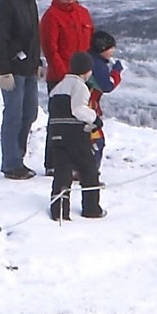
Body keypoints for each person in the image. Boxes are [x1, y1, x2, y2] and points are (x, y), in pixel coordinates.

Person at [45, 28, 123, 221]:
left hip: (56, 133)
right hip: (75, 135)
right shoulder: (79, 86)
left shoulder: (58, 87)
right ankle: (91, 208)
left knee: (62, 173)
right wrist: (95, 119)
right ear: (87, 71)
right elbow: (78, 109)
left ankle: (59, 210)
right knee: (88, 170)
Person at [0, 0, 43, 178]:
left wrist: (38, 61)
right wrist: (2, 71)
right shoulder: (6, 3)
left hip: (29, 67)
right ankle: (11, 163)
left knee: (30, 112)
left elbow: (34, 35)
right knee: (13, 114)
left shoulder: (29, 0)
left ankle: (18, 156)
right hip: (12, 69)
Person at [39, 0, 95, 79]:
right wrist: (64, 75)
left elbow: (91, 41)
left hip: (84, 75)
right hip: (61, 76)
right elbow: (50, 50)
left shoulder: (83, 13)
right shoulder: (51, 16)